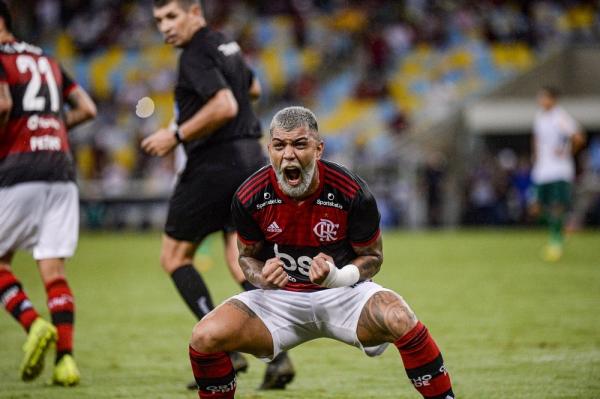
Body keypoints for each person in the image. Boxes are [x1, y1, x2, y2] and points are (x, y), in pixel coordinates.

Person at [187, 106, 455, 399]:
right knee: (205, 336)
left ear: (318, 149)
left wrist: (338, 276)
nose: (288, 154)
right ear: (270, 150)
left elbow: (373, 257)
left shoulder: (351, 191)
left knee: (398, 317)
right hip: (279, 300)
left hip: (344, 294)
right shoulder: (249, 195)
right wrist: (261, 276)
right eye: (279, 145)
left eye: (299, 144)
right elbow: (246, 257)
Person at [141, 0, 294, 390]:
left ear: (195, 12)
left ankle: (224, 349)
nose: (165, 27)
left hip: (213, 164)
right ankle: (279, 356)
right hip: (249, 160)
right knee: (238, 259)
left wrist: (174, 134)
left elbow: (225, 104)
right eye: (159, 20)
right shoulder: (227, 43)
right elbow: (253, 87)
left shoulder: (194, 54)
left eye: (172, 16)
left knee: (174, 256)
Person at [0, 1, 96, 386]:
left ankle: (33, 322)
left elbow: (3, 104)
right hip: (60, 167)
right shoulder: (47, 59)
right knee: (53, 270)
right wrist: (49, 130)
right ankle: (65, 361)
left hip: (19, 168)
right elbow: (87, 108)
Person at [531, 86, 585, 262]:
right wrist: (537, 157)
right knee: (535, 208)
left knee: (556, 205)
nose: (541, 101)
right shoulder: (540, 117)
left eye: (544, 97)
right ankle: (563, 228)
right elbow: (537, 139)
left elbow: (578, 137)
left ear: (553, 99)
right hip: (542, 169)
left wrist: (567, 152)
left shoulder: (560, 117)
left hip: (559, 170)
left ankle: (555, 242)